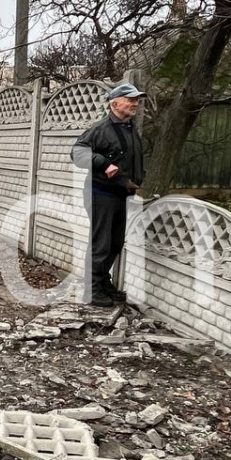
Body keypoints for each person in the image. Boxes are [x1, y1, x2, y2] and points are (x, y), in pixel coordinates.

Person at [71, 82, 147, 307]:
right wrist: (103, 163)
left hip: (118, 194)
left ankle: (103, 284)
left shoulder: (129, 127)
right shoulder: (101, 128)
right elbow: (77, 153)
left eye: (136, 100)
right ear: (115, 103)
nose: (135, 103)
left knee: (114, 243)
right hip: (99, 192)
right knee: (100, 244)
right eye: (130, 99)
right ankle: (92, 291)